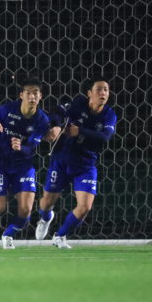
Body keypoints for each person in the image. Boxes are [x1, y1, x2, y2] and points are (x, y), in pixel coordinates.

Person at [0, 78, 61, 249]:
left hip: (23, 166)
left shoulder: (42, 120)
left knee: (25, 210)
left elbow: (32, 146)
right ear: (21, 95)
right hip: (0, 163)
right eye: (28, 93)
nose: (32, 96)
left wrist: (21, 147)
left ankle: (8, 234)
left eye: (36, 93)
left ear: (41, 96)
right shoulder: (6, 110)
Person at [35, 79, 117, 249]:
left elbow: (105, 137)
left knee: (85, 206)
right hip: (61, 160)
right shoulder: (77, 104)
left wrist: (80, 131)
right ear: (89, 93)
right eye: (99, 89)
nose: (103, 93)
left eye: (106, 90)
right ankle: (46, 218)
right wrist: (56, 126)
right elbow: (56, 112)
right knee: (46, 203)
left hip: (86, 165)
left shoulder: (109, 115)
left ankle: (60, 236)